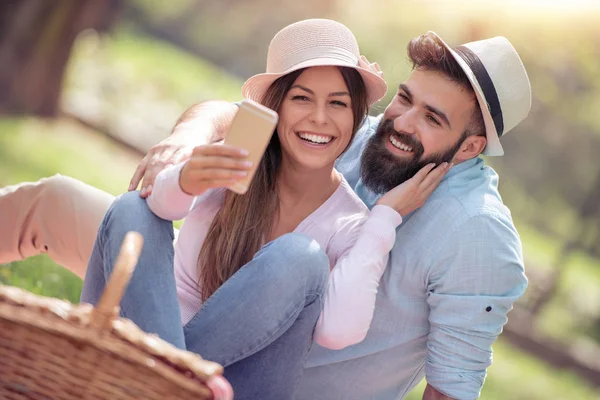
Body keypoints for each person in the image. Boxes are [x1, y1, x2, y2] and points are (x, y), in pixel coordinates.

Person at [0, 24, 531, 400]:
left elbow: (452, 388)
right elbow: (233, 114)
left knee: (299, 259)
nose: (402, 121)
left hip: (275, 377)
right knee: (68, 203)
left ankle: (148, 378)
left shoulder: (478, 233)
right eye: (404, 98)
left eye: (432, 117)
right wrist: (187, 138)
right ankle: (159, 380)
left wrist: (382, 221)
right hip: (193, 313)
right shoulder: (357, 130)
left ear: (468, 147)